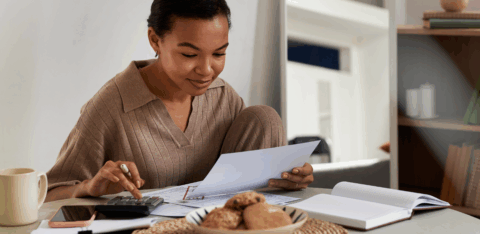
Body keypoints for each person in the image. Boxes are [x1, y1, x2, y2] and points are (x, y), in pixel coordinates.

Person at [45, 0, 314, 202]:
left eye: (219, 54)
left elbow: (252, 179)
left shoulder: (223, 97)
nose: (207, 70)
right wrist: (88, 187)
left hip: (218, 227)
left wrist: (288, 178)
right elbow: (49, 194)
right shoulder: (110, 106)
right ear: (155, 40)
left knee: (264, 118)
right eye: (189, 55)